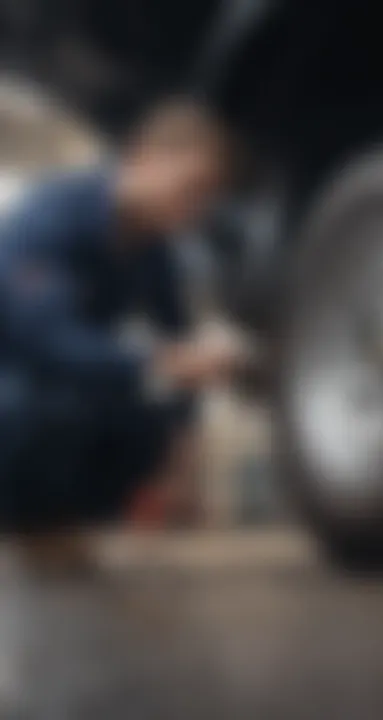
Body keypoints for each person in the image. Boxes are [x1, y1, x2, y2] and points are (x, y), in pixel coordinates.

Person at [0, 98, 247, 561]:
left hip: (63, 389)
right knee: (43, 408)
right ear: (144, 158)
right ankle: (23, 518)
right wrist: (156, 362)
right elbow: (45, 340)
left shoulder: (155, 252)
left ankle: (70, 523)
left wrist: (183, 460)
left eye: (207, 197)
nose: (196, 208)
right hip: (16, 376)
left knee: (140, 420)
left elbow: (180, 351)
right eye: (190, 188)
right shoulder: (52, 215)